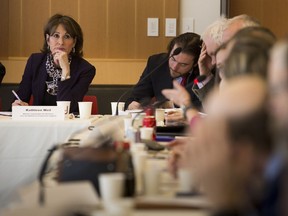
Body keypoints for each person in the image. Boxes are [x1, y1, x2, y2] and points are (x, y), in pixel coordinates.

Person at [12, 14, 96, 113]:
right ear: (48, 39)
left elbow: (68, 109)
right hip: (38, 123)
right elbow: (21, 98)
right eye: (56, 36)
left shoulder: (85, 69)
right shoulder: (35, 61)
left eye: (67, 37)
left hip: (68, 126)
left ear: (74, 42)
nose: (60, 42)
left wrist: (65, 71)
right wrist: (17, 105)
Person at [125, 32, 202, 112]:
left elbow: (205, 106)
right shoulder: (156, 64)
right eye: (173, 59)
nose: (174, 67)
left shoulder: (203, 73)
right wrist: (133, 105)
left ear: (196, 63)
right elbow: (136, 97)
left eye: (183, 64)